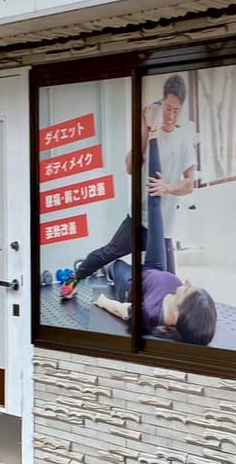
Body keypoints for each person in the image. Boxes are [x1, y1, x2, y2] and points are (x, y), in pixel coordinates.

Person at [60, 75, 197, 297]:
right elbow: (131, 167)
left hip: (163, 228)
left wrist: (167, 187)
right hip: (138, 221)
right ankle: (74, 278)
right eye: (168, 109)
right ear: (161, 103)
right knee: (107, 252)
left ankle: (116, 272)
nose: (171, 116)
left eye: (176, 111)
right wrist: (146, 127)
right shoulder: (149, 133)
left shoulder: (184, 141)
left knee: (168, 284)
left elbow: (189, 184)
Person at [94, 137, 218, 345]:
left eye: (188, 289)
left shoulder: (148, 313)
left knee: (117, 266)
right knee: (155, 206)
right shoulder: (179, 301)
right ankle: (152, 138)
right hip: (156, 267)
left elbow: (123, 310)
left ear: (177, 315)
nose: (187, 282)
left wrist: (102, 301)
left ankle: (108, 269)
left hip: (133, 282)